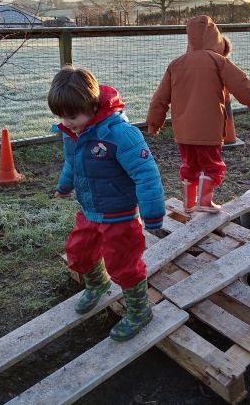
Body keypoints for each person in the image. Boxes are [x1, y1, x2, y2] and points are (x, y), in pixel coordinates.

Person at [48, 65, 165, 342]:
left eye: (72, 116)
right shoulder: (73, 133)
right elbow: (72, 163)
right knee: (79, 253)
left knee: (124, 264)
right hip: (90, 211)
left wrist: (153, 214)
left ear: (91, 105)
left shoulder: (120, 134)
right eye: (61, 116)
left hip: (120, 216)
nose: (66, 122)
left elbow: (146, 174)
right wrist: (64, 186)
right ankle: (98, 284)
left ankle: (139, 310)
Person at [146, 15, 250, 214]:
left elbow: (160, 98)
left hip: (183, 131)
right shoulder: (218, 61)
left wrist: (154, 123)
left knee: (190, 165)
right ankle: (205, 202)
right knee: (212, 166)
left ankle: (189, 203)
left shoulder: (176, 64)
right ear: (215, 38)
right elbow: (244, 87)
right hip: (208, 129)